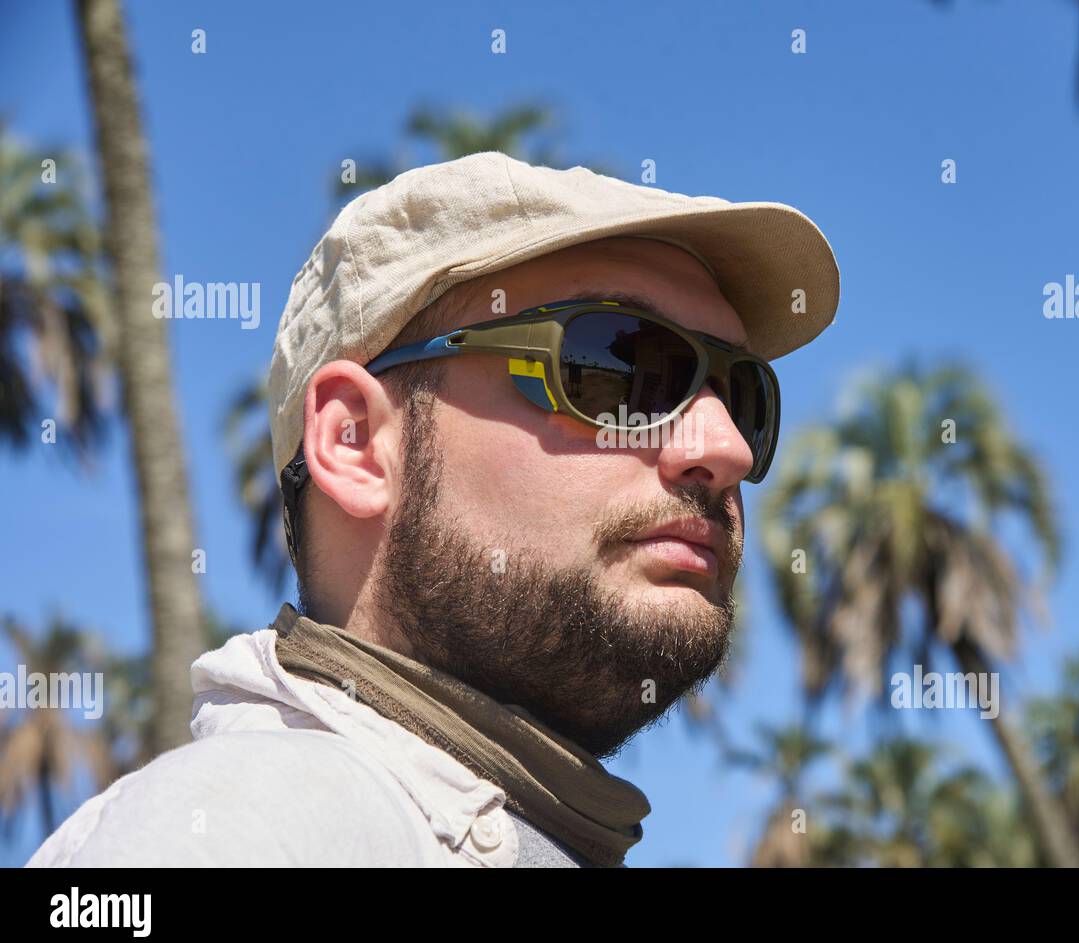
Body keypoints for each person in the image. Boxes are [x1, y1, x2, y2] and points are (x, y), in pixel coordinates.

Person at [28, 152, 839, 867]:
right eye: (615, 364)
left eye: (743, 395)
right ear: (353, 442)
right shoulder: (247, 828)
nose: (727, 445)